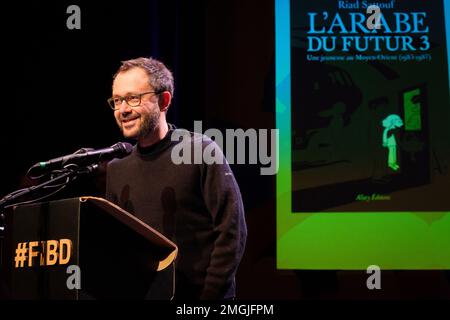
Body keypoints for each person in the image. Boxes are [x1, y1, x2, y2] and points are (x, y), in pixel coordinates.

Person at [105, 57, 247, 299]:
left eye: (133, 98)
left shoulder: (200, 151)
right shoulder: (117, 169)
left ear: (164, 101)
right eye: (117, 101)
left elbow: (232, 231)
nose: (123, 109)